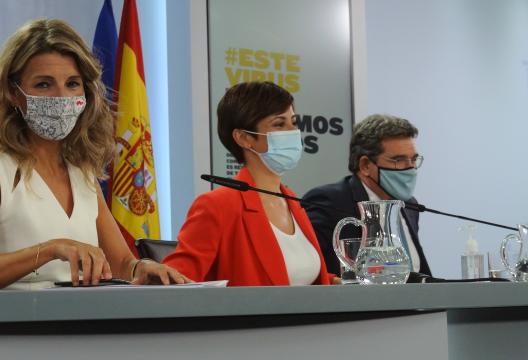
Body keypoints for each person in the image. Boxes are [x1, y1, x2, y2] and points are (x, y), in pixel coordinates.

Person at [0, 19, 189, 291]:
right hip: (12, 329)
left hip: (77, 325)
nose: (61, 96)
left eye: (72, 84)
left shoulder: (81, 172)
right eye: (44, 84)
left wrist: (142, 268)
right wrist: (48, 251)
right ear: (14, 93)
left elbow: (120, 262)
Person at [164, 81, 339, 286]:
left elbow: (294, 274)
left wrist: (340, 282)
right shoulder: (217, 205)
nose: (293, 132)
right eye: (279, 124)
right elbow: (176, 281)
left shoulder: (291, 201)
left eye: (294, 122)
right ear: (244, 138)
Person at [302, 114, 432, 276]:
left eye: (413, 159)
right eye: (399, 160)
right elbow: (310, 271)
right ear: (365, 165)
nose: (410, 168)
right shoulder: (329, 202)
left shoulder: (410, 205)